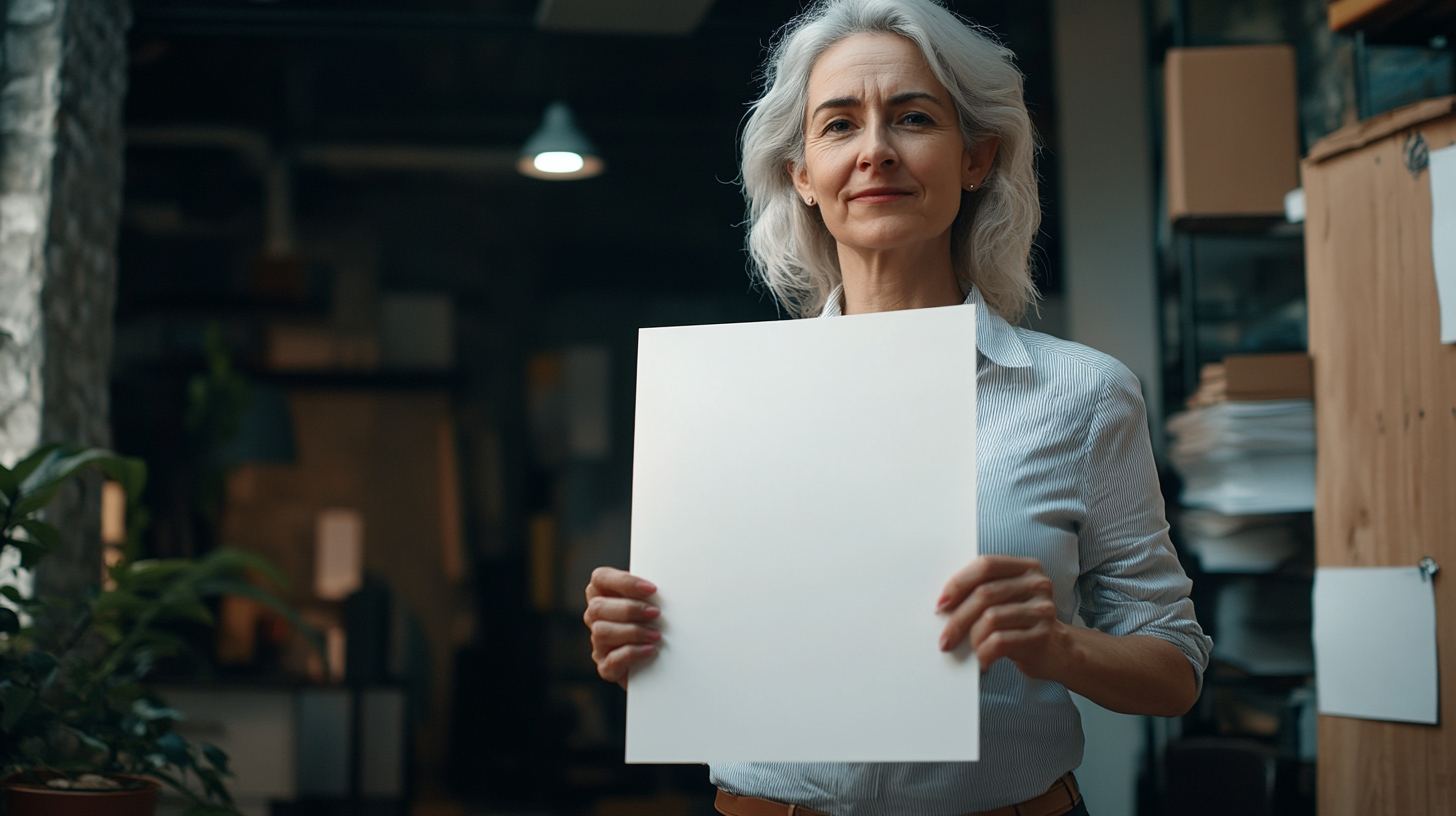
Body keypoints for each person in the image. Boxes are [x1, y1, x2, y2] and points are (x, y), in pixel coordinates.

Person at [584, 1, 1211, 814]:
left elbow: (1176, 670)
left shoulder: (1083, 396)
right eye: (839, 125)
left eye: (913, 117)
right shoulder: (722, 400)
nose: (876, 151)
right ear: (801, 175)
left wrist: (1059, 646)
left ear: (977, 156)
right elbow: (697, 653)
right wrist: (640, 640)